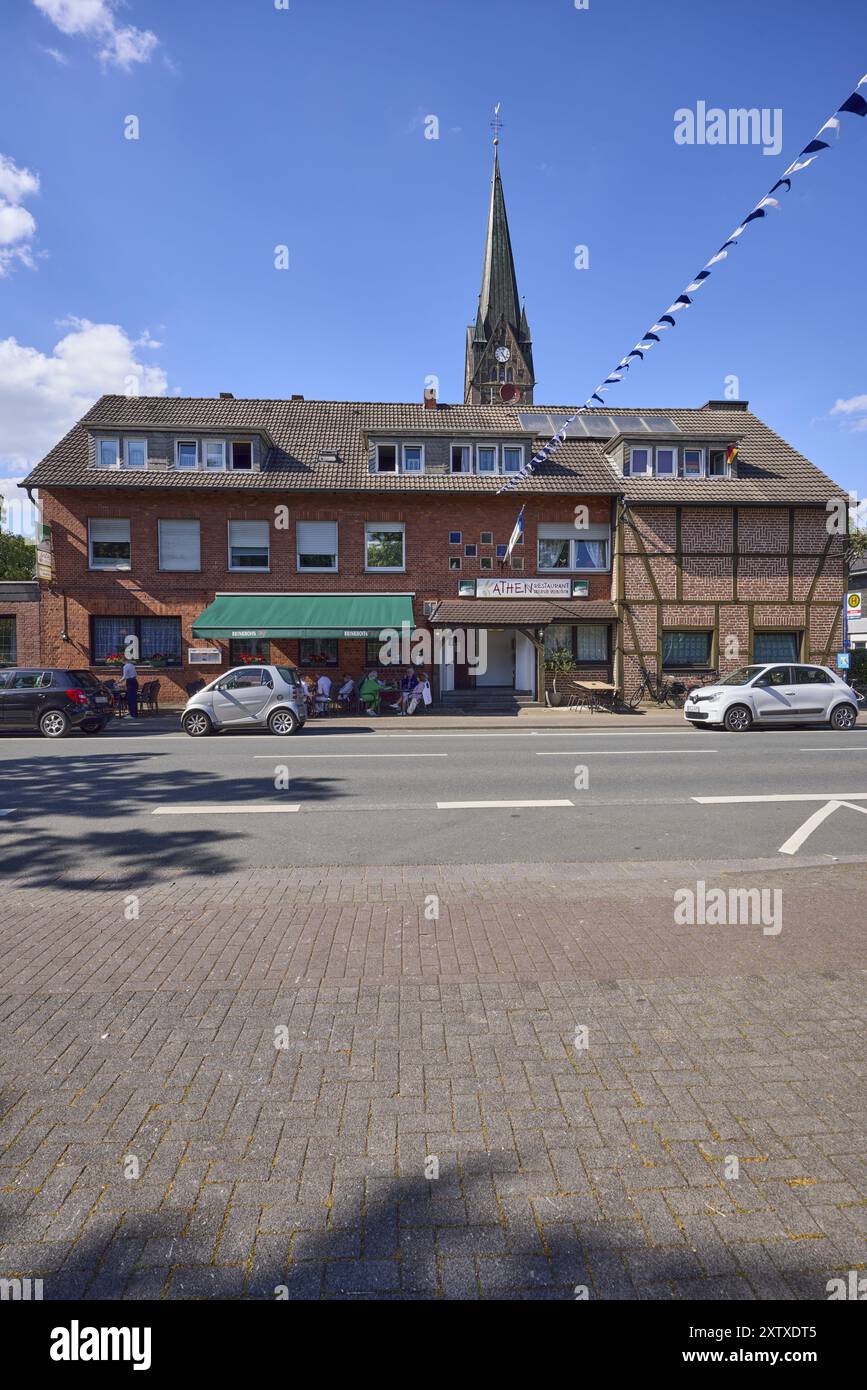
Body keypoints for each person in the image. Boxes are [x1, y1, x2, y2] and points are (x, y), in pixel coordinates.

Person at [122, 654, 139, 719]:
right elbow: (135, 674)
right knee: (133, 699)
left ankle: (132, 715)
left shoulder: (125, 666)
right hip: (135, 681)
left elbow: (125, 676)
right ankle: (135, 713)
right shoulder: (132, 665)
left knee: (130, 699)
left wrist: (119, 681)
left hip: (130, 682)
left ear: (123, 660)